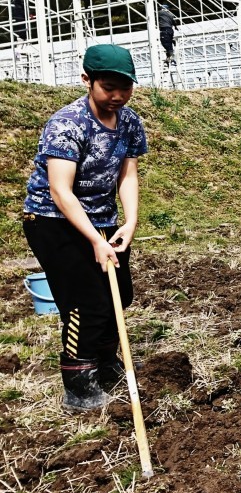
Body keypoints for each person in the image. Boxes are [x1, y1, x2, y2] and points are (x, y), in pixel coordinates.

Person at [22, 44, 147, 411]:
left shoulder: (129, 121)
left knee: (119, 296)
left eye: (125, 88)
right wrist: (94, 239)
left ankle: (106, 363)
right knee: (86, 301)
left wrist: (130, 221)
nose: (118, 96)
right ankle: (79, 383)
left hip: (102, 218)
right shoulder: (68, 123)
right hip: (53, 221)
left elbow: (127, 174)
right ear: (86, 80)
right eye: (108, 87)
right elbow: (61, 191)